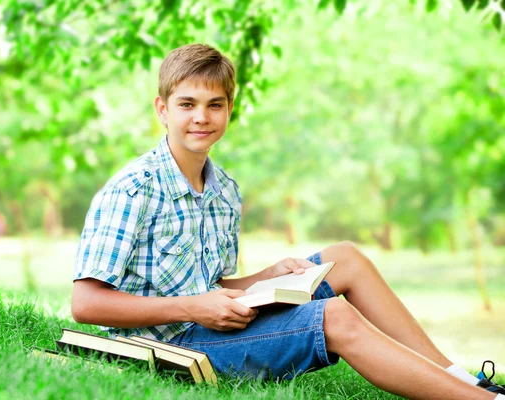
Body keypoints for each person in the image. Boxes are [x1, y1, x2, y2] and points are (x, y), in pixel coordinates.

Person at [71, 43, 504, 399]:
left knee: (345, 257)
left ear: (229, 110)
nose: (201, 117)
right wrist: (191, 308)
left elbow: (212, 286)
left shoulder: (223, 190)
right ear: (163, 110)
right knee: (332, 315)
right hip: (169, 348)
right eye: (187, 104)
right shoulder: (133, 190)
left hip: (206, 323)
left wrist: (267, 276)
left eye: (214, 105)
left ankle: (466, 381)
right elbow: (85, 304)